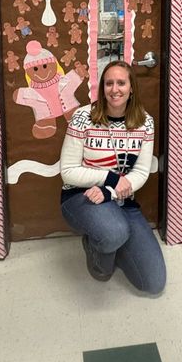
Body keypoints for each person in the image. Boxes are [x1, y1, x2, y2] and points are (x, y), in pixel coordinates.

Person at [59, 60, 165, 294]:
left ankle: (115, 238)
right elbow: (67, 171)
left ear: (131, 88)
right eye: (109, 83)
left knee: (153, 283)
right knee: (109, 251)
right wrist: (111, 179)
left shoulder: (145, 122)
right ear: (102, 88)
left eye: (121, 83)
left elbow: (139, 172)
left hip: (120, 198)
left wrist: (111, 191)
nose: (114, 89)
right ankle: (98, 249)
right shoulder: (83, 116)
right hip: (81, 196)